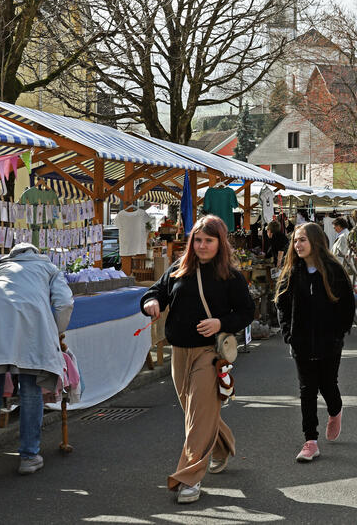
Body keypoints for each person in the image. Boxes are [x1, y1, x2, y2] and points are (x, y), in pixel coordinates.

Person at [140, 215, 255, 504]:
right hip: (179, 352)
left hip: (210, 354)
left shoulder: (230, 276)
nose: (202, 246)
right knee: (196, 412)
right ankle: (222, 445)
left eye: (209, 240)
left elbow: (246, 312)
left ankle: (188, 479)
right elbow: (156, 292)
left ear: (220, 243)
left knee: (197, 417)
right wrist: (151, 303)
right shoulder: (179, 269)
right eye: (198, 240)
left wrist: (220, 322)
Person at [0, 242, 73, 482]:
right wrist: (54, 333)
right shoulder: (48, 268)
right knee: (31, 391)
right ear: (35, 253)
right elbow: (65, 303)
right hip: (31, 330)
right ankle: (29, 457)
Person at [275, 222, 355, 463]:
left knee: (328, 385)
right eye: (295, 240)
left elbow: (347, 305)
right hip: (300, 343)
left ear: (315, 242)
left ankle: (335, 410)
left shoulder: (333, 270)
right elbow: (282, 305)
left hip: (329, 342)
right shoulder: (292, 272)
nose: (297, 245)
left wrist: (338, 333)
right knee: (307, 390)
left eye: (302, 240)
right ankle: (310, 441)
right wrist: (288, 334)